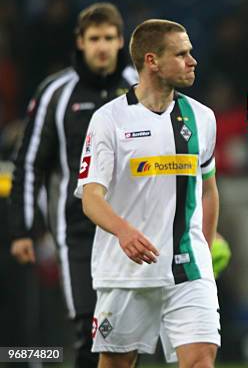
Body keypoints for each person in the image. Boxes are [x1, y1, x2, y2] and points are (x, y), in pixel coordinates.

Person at [75, 19, 220, 367]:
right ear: (152, 61)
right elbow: (91, 197)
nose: (192, 60)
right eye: (181, 53)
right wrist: (123, 232)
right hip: (126, 271)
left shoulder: (201, 117)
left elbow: (209, 192)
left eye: (191, 52)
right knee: (117, 363)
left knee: (201, 359)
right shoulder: (109, 120)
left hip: (189, 271)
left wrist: (205, 256)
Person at [9, 2, 137, 367]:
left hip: (128, 227)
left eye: (109, 38)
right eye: (94, 38)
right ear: (80, 42)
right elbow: (29, 163)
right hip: (76, 228)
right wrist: (23, 230)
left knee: (127, 332)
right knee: (89, 326)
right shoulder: (56, 93)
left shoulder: (139, 87)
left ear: (120, 41)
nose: (101, 46)